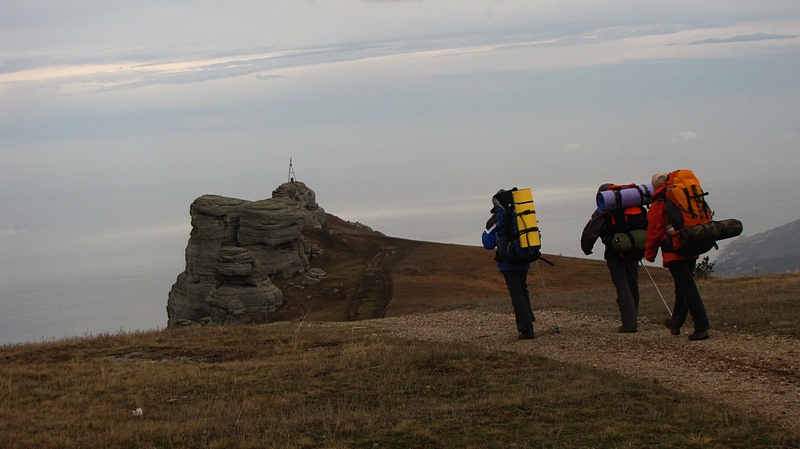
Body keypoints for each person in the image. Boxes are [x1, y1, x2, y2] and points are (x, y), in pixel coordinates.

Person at [645, 172, 711, 341]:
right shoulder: (685, 195)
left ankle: (701, 326)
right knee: (682, 286)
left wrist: (649, 255)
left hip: (675, 251)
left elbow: (653, 233)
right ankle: (676, 321)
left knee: (687, 287)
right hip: (692, 244)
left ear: (654, 187)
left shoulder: (659, 204)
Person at [580, 184, 643, 333]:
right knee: (632, 283)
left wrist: (587, 248)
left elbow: (591, 231)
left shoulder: (605, 209)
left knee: (622, 285)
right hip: (634, 249)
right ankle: (633, 317)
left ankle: (629, 323)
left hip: (615, 252)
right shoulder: (630, 205)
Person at [482, 191, 536, 340]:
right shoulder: (522, 215)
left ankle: (526, 330)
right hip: (524, 258)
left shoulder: (495, 220)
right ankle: (528, 317)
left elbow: (487, 243)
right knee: (523, 289)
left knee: (516, 293)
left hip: (507, 262)